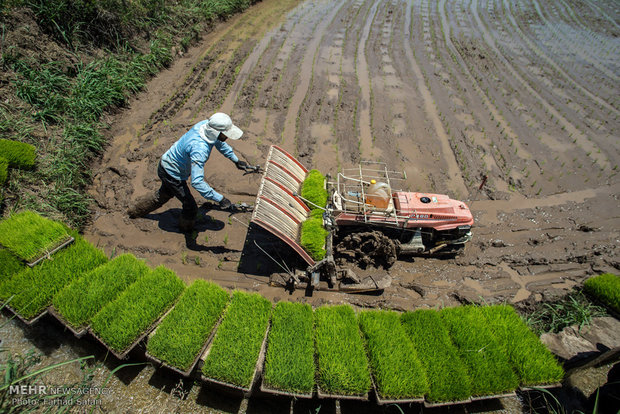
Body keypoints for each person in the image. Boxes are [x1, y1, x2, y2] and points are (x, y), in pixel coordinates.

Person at [127, 112, 249, 232]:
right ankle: (186, 230)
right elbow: (197, 182)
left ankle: (134, 212)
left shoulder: (205, 125)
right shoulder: (199, 149)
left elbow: (219, 143)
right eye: (225, 134)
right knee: (190, 207)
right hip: (172, 173)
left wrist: (236, 160)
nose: (227, 137)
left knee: (164, 194)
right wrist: (220, 199)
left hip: (167, 163)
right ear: (216, 132)